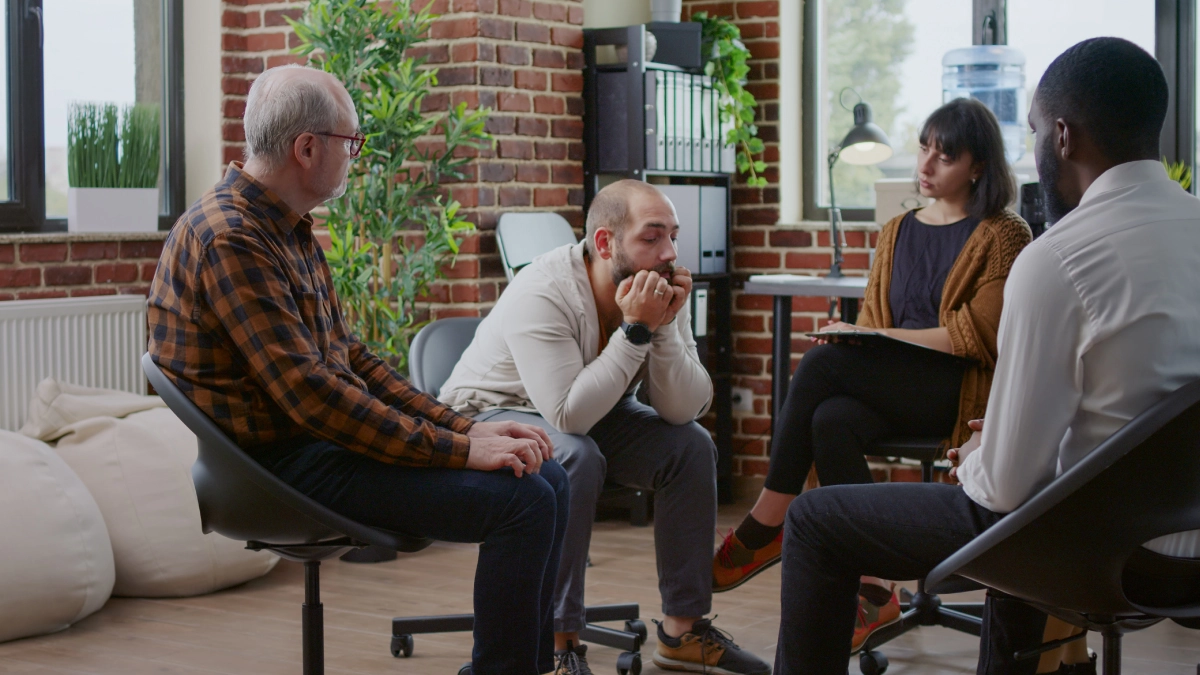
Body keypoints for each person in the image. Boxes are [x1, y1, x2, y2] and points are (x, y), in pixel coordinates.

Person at [773, 36, 1200, 675]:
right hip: (1193, 547)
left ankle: (772, 519)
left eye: (1031, 133)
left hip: (1100, 554)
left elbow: (1004, 488)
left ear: (1062, 135)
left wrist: (982, 452)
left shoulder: (1056, 258)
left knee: (813, 520)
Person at [147, 65, 568, 675]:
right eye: (352, 142)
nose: (356, 155)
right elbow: (312, 396)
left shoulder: (286, 230)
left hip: (318, 445)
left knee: (545, 479)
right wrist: (455, 449)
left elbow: (353, 361)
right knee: (524, 500)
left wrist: (464, 428)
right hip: (280, 467)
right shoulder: (231, 239)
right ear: (307, 148)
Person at [713, 98, 1031, 651]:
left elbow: (979, 336)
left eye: (946, 155)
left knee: (820, 362)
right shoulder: (896, 230)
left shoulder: (1004, 233)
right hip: (895, 384)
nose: (926, 165)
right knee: (831, 418)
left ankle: (767, 523)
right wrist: (865, 337)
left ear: (978, 166)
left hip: (957, 391)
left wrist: (876, 340)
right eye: (924, 148)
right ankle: (876, 588)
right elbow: (873, 322)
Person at [439, 180, 771, 675]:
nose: (669, 254)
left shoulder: (658, 286)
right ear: (604, 243)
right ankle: (558, 642)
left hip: (590, 410)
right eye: (652, 238)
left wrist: (659, 331)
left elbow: (685, 409)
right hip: (492, 413)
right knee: (574, 455)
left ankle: (682, 631)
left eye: (673, 237)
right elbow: (568, 417)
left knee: (690, 448)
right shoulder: (544, 289)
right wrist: (636, 328)